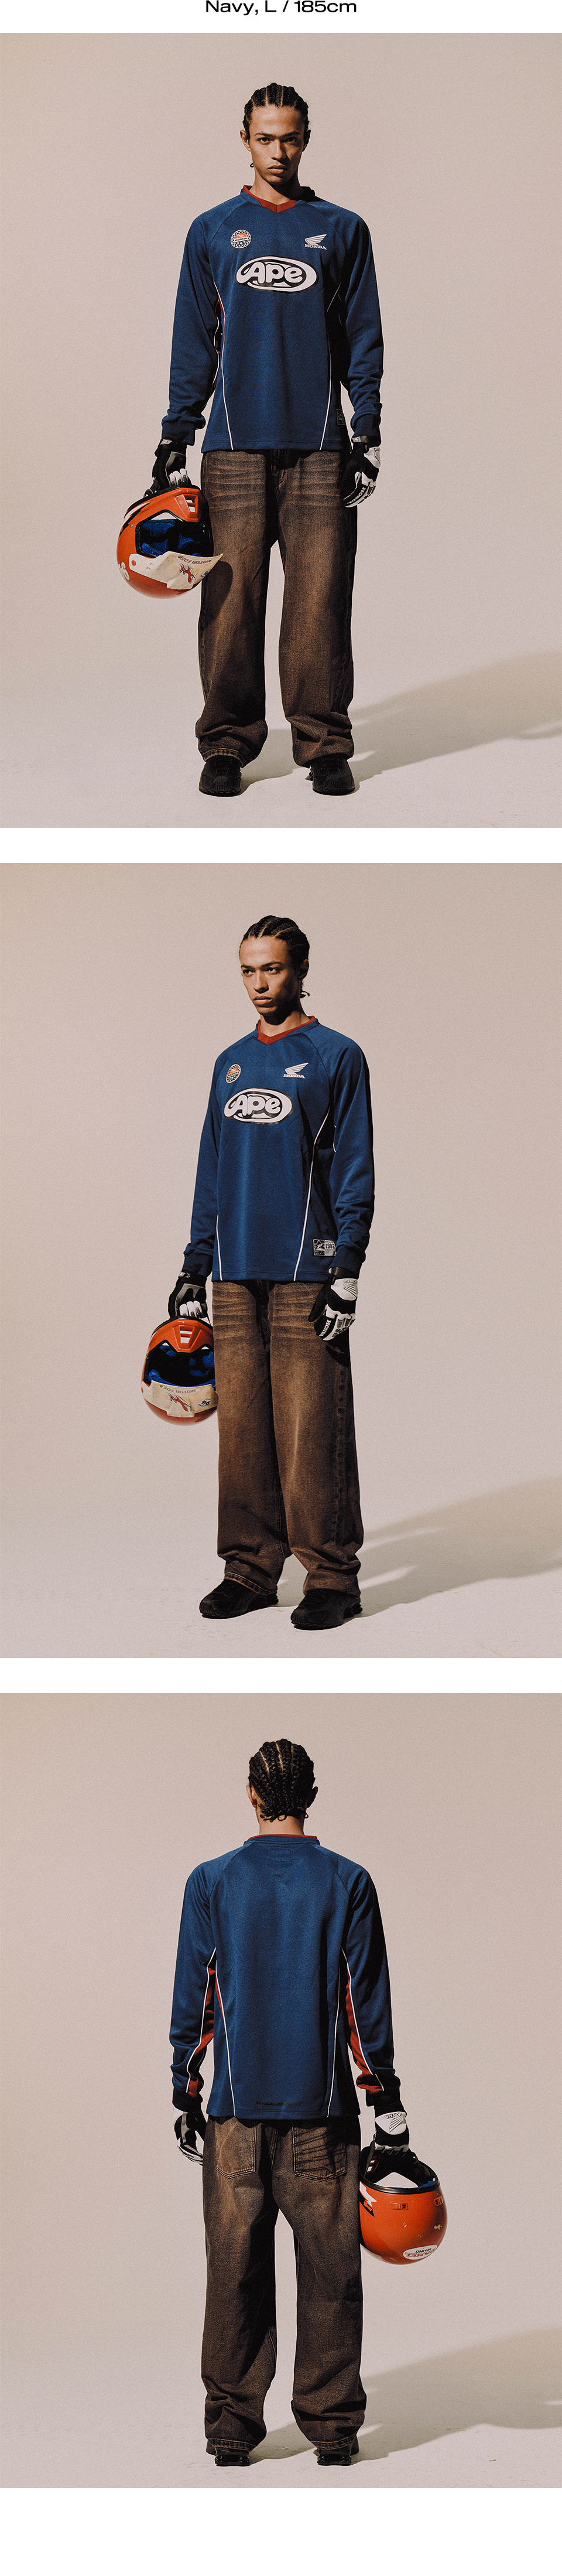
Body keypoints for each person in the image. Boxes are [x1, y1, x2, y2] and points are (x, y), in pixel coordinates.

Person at [170, 1736, 411, 2468]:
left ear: (252, 1794)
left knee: (233, 2274)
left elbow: (196, 1995)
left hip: (235, 2117)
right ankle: (333, 2430)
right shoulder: (349, 1881)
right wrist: (387, 2102)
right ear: (311, 1795)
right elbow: (364, 2003)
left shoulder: (211, 1881)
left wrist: (186, 2086)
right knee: (332, 2274)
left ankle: (230, 2428)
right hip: (323, 2117)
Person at [148, 80, 383, 798]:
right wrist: (176, 433)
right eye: (265, 138)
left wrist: (367, 430)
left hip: (320, 449)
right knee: (229, 602)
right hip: (232, 448)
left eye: (290, 137)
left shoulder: (342, 229)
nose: (278, 151)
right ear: (245, 140)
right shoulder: (213, 230)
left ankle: (324, 743)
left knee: (320, 604)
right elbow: (195, 338)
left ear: (307, 138)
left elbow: (362, 337)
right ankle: (227, 742)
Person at [167, 912, 375, 1630]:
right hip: (232, 1273)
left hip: (305, 1272)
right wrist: (194, 1265)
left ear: (301, 970)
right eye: (249, 970)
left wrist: (346, 1269)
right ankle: (251, 1569)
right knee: (243, 1434)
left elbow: (355, 1167)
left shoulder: (336, 1055)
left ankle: (332, 1577)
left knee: (313, 1429)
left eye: (273, 968)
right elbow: (211, 1167)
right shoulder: (229, 1061)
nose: (260, 983)